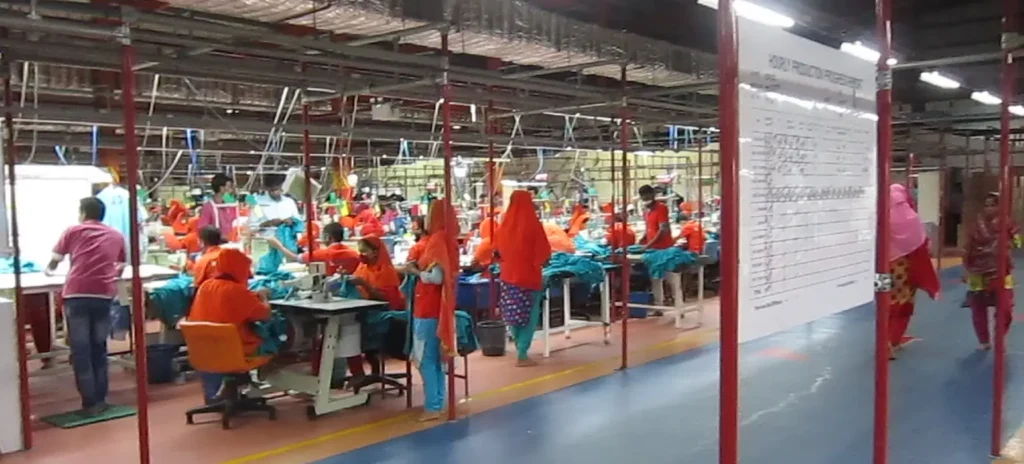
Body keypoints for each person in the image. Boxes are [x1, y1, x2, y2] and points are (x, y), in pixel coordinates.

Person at [45, 197, 127, 416]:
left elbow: (55, 259)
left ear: (82, 213)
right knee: (99, 347)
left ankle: (89, 402)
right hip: (103, 295)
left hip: (77, 293)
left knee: (81, 350)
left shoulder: (73, 231)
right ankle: (101, 398)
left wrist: (48, 270)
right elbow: (121, 265)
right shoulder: (117, 235)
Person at [189, 248, 272, 402]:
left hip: (203, 350)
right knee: (275, 337)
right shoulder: (237, 291)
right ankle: (249, 380)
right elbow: (265, 314)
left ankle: (224, 390)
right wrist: (264, 297)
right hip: (236, 353)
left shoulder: (205, 286)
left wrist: (252, 296)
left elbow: (226, 304)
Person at [404, 200, 459, 422]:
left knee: (426, 359)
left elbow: (436, 278)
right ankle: (438, 401)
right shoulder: (449, 240)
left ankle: (433, 406)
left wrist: (415, 272)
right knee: (435, 359)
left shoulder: (437, 241)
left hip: (428, 309)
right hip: (438, 308)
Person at [496, 191, 551, 367]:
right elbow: (545, 255)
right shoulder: (534, 225)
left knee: (513, 312)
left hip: (508, 277)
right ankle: (522, 353)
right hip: (529, 278)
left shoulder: (503, 226)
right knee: (529, 314)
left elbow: (497, 252)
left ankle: (519, 345)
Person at [345, 236, 407, 388]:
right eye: (359, 251)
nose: (361, 255)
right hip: (365, 311)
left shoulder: (387, 272)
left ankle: (358, 373)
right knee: (346, 326)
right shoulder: (363, 268)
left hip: (384, 314)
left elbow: (388, 300)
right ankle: (358, 372)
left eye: (364, 251)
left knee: (348, 331)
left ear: (375, 252)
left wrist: (364, 284)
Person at [887, 184, 939, 359]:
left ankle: (885, 342)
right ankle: (893, 341)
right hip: (905, 269)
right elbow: (924, 244)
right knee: (903, 305)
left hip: (881, 271)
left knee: (884, 305)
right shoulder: (912, 218)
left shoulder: (880, 217)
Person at [964, 192, 1019, 350]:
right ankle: (983, 340)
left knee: (1006, 307)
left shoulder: (1008, 224)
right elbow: (967, 246)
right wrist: (966, 268)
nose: (989, 208)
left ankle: (1000, 335)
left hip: (1001, 270)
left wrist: (1011, 241)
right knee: (977, 306)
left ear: (1000, 206)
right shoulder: (976, 225)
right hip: (976, 270)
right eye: (986, 205)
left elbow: (1018, 243)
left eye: (993, 205)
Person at [639, 185, 680, 315]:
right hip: (653, 251)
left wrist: (648, 244)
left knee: (671, 279)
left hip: (665, 249)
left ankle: (680, 306)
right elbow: (649, 229)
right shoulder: (646, 211)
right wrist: (642, 240)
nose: (645, 199)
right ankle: (659, 307)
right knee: (655, 279)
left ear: (653, 195)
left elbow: (663, 230)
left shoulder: (661, 208)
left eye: (647, 196)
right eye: (643, 197)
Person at [266, 222, 361, 275]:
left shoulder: (322, 254)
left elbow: (294, 258)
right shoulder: (353, 253)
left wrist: (279, 246)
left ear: (327, 237)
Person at [197, 173, 238, 239]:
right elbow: (202, 229)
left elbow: (238, 217)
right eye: (230, 187)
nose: (231, 190)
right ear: (222, 189)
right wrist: (219, 237)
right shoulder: (208, 207)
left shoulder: (230, 202)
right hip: (217, 244)